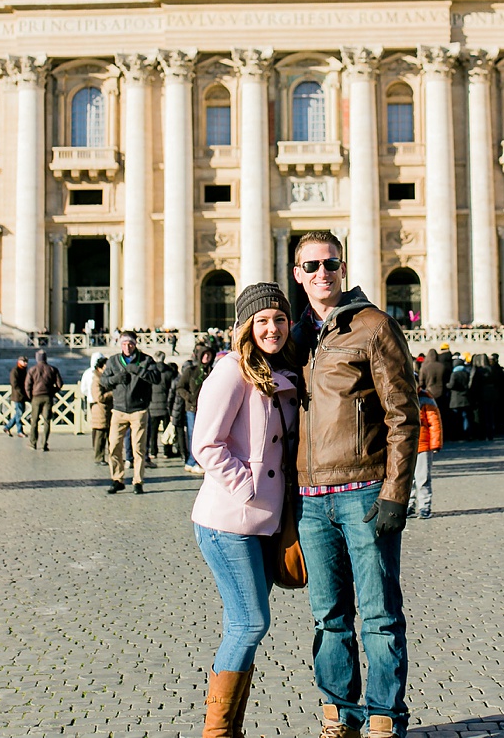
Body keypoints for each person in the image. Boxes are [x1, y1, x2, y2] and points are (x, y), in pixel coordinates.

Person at [289, 230, 419, 738]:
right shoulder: (293, 338)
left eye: (331, 263)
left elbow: (403, 415)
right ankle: (338, 714)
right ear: (298, 274)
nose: (323, 273)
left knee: (381, 614)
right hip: (310, 498)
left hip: (365, 492)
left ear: (342, 269)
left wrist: (395, 493)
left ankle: (385, 716)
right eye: (312, 265)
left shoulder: (374, 326)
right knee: (328, 617)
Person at [191, 282, 301, 738]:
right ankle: (216, 733)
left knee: (244, 624)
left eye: (278, 319)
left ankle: (229, 729)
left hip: (263, 522)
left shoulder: (283, 370)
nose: (271, 328)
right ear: (245, 327)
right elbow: (205, 444)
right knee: (251, 621)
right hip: (229, 521)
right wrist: (249, 488)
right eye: (262, 320)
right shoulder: (231, 371)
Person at [100, 330, 163, 494]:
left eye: (130, 344)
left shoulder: (146, 360)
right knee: (113, 445)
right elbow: (104, 381)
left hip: (138, 410)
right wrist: (117, 379)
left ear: (135, 344)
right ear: (120, 344)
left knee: (138, 448)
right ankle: (117, 479)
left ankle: (138, 481)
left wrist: (138, 370)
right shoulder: (113, 361)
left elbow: (156, 378)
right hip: (119, 410)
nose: (127, 347)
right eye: (124, 344)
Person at [175, 344, 214, 475]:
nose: (206, 357)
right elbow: (180, 387)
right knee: (193, 435)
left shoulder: (213, 371)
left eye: (209, 355)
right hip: (192, 408)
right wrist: (189, 398)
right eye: (204, 354)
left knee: (206, 436)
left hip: (207, 409)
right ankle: (192, 461)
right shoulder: (190, 371)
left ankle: (200, 461)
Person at [408, 384, 443, 520]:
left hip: (423, 444)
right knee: (408, 480)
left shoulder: (426, 399)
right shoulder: (401, 395)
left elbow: (434, 423)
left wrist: (435, 444)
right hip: (406, 446)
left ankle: (424, 507)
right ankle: (409, 506)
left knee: (422, 478)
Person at [23, 350, 62, 452]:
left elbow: (27, 385)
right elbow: (60, 384)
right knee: (47, 421)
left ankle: (33, 442)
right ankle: (44, 444)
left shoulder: (32, 370)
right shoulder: (52, 369)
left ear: (37, 359)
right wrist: (53, 391)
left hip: (36, 397)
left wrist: (30, 396)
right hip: (48, 397)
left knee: (34, 421)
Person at [81, 354, 110, 462]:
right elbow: (99, 396)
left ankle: (101, 454)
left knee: (99, 431)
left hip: (97, 405)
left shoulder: (92, 374)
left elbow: (83, 389)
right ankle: (99, 456)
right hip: (99, 407)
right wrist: (112, 395)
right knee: (99, 433)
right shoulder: (96, 378)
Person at [150, 360, 178, 461]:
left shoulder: (151, 372)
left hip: (152, 406)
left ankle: (153, 451)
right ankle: (167, 451)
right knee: (167, 430)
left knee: (153, 432)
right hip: (165, 406)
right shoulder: (169, 373)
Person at [446, 354, 471, 440]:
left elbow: (451, 385)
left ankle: (457, 434)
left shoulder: (454, 374)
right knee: (465, 417)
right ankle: (466, 433)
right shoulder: (466, 373)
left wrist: (447, 385)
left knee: (456, 417)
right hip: (465, 397)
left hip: (456, 398)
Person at [6, 356, 29, 437]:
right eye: (24, 361)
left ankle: (7, 427)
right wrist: (21, 392)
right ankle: (19, 431)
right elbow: (14, 383)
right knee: (19, 413)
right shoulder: (15, 371)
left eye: (26, 361)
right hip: (17, 395)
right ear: (19, 361)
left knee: (19, 413)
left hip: (22, 395)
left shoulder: (24, 370)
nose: (26, 363)